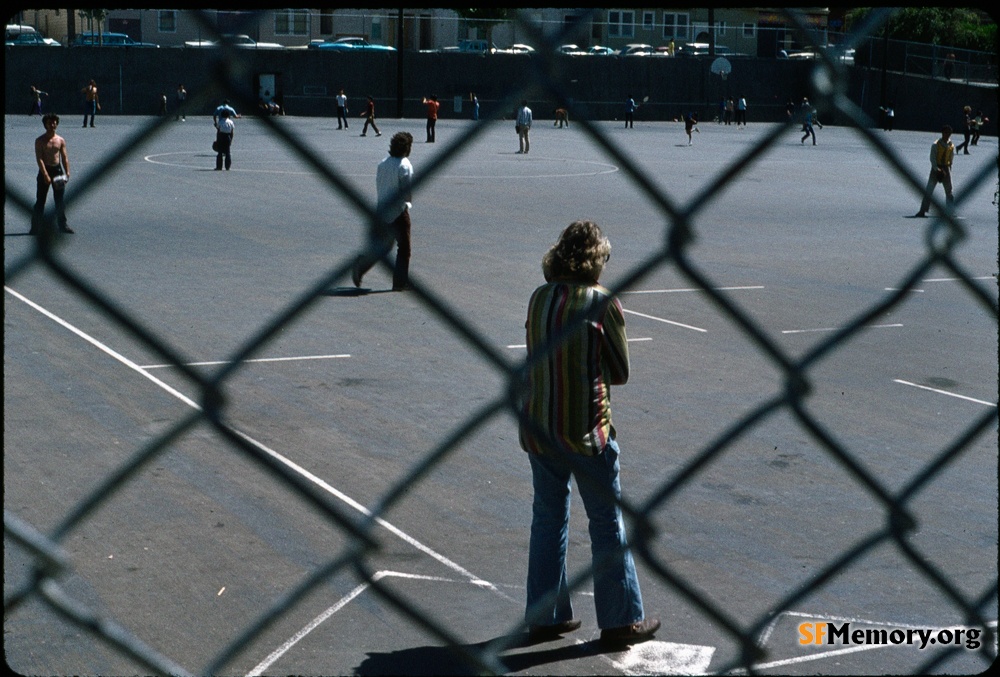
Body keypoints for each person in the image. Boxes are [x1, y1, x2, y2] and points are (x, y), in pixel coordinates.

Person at [519, 220, 660, 647]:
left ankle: (545, 615)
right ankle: (620, 620)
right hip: (587, 430)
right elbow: (620, 372)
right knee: (605, 522)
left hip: (541, 427)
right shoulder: (602, 302)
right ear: (596, 260)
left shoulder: (540, 297)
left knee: (548, 517)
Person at [351, 131, 414, 291]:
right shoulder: (405, 165)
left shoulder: (383, 163)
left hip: (382, 210)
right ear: (407, 148)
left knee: (384, 246)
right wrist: (408, 202)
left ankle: (362, 264)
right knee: (404, 248)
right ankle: (400, 283)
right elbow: (406, 191)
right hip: (399, 212)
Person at [31, 113, 72, 235]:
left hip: (58, 171)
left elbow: (64, 157)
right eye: (50, 123)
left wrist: (67, 172)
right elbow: (40, 159)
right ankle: (35, 226)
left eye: (54, 122)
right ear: (45, 125)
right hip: (45, 171)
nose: (52, 125)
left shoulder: (60, 140)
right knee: (40, 200)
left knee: (59, 200)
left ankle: (62, 225)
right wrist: (45, 175)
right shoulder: (40, 141)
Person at [915, 125, 955, 217]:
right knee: (929, 190)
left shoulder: (951, 145)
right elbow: (932, 158)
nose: (947, 134)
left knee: (949, 191)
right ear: (942, 133)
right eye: (946, 132)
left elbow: (951, 157)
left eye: (949, 133)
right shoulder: (936, 144)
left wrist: (949, 167)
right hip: (936, 168)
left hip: (946, 168)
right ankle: (922, 210)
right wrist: (936, 169)